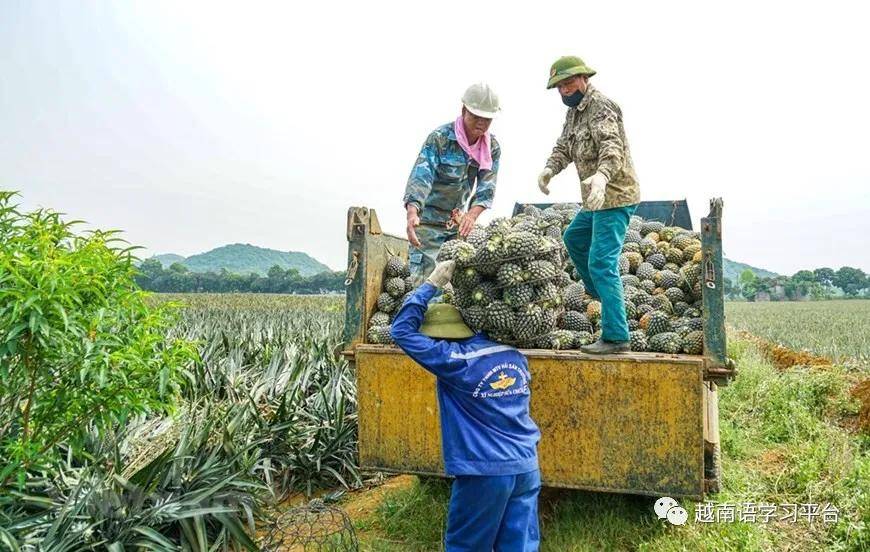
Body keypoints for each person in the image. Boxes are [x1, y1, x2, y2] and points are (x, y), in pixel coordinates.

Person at [390, 260, 541, 551]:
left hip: (485, 471)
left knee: (467, 546)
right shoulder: (514, 355)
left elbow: (401, 332)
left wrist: (430, 286)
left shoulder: (454, 362)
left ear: (442, 339)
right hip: (526, 466)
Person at [537, 56, 641, 354]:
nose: (565, 91)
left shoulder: (602, 106)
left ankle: (616, 336)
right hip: (595, 199)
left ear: (584, 78)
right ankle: (605, 295)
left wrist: (602, 177)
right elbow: (563, 147)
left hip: (615, 195)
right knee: (573, 238)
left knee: (601, 261)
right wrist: (549, 169)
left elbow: (612, 148)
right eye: (559, 87)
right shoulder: (574, 115)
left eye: (569, 83)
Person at [403, 83, 502, 286]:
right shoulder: (440, 139)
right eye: (476, 116)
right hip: (427, 226)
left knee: (454, 291)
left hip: (455, 228)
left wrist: (471, 216)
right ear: (464, 110)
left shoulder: (491, 147)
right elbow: (422, 177)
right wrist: (412, 212)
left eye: (487, 118)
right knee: (425, 289)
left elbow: (486, 187)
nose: (482, 123)